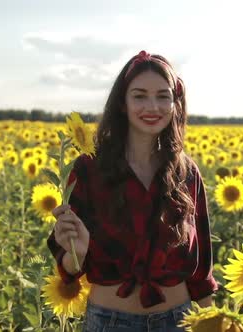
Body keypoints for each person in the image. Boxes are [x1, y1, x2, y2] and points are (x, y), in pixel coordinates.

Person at [47, 50, 218, 332]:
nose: (152, 106)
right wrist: (76, 252)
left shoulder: (186, 172)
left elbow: (202, 272)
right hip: (111, 322)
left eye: (163, 96)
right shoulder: (89, 169)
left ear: (175, 104)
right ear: (122, 104)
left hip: (179, 320)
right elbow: (69, 267)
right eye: (139, 96)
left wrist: (212, 322)